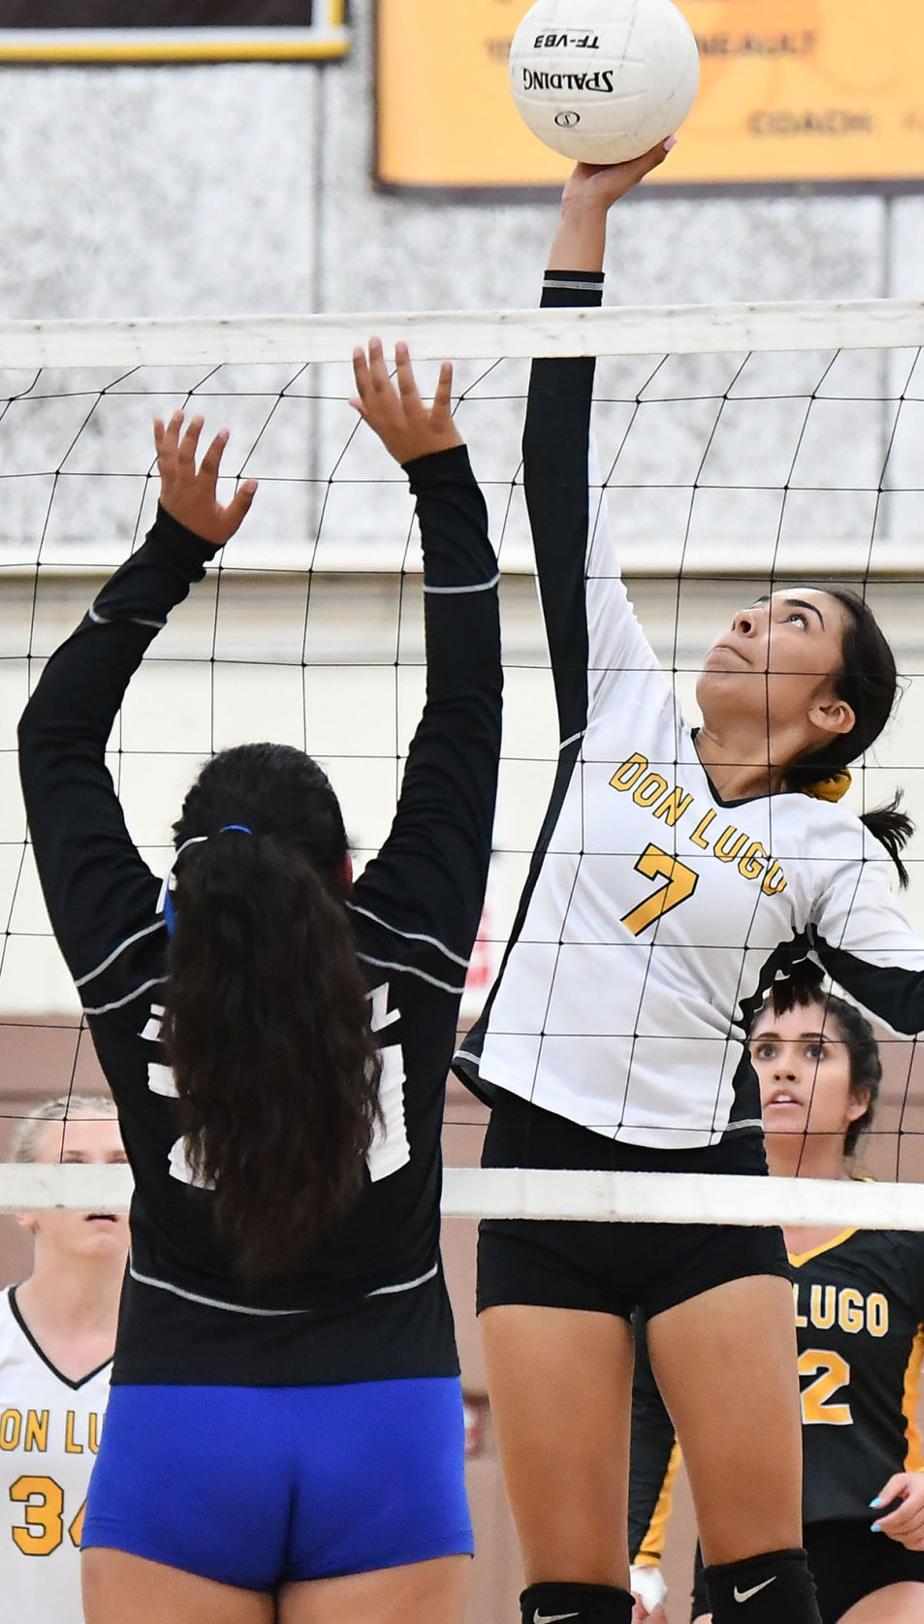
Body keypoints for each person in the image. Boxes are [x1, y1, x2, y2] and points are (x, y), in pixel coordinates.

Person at [452, 144, 924, 1624]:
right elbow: (554, 470)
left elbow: (913, 1005)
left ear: (833, 710)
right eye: (755, 603)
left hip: (697, 1185)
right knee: (572, 1593)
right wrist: (582, 222)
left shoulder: (829, 848)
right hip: (536, 1162)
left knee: (762, 1577)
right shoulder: (621, 704)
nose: (745, 619)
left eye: (789, 621)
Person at [17, 340, 502, 1624]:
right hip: (387, 1420)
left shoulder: (133, 959)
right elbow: (470, 709)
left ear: (184, 867)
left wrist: (176, 547)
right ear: (344, 870)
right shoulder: (407, 941)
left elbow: (51, 738)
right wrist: (441, 476)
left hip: (184, 1420)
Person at [628, 966, 924, 1622]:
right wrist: (640, 1563)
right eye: (764, 1051)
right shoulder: (695, 1236)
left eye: (814, 1052)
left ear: (858, 1098)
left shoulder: (914, 1235)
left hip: (884, 1548)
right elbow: (652, 1406)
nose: (784, 1068)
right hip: (740, 1552)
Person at [2, 1096, 126, 1624]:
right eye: (72, 1167)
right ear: (23, 1202)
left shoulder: (194, 1361)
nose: (97, 1185)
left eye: (119, 1166)